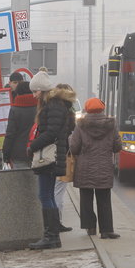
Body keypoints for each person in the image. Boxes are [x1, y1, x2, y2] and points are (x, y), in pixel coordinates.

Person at [26, 68, 73, 250]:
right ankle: (52, 236)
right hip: (55, 156)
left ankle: (50, 236)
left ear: (43, 90)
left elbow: (51, 132)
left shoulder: (52, 106)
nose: (34, 95)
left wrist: (33, 146)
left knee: (45, 196)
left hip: (50, 157)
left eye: (35, 91)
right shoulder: (57, 105)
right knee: (48, 196)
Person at [69, 98, 122, 239]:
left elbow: (74, 147)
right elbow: (118, 146)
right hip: (104, 167)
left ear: (86, 109)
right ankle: (106, 230)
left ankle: (90, 227)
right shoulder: (111, 125)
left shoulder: (80, 125)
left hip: (85, 167)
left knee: (86, 198)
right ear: (102, 109)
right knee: (104, 198)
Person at [53, 82, 77, 233]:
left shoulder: (51, 108)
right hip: (62, 155)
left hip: (50, 153)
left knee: (52, 190)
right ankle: (56, 221)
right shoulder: (68, 112)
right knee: (58, 191)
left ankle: (53, 221)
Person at [1, 81, 37, 169]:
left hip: (18, 153)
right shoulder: (40, 108)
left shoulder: (15, 110)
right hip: (36, 150)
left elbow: (10, 134)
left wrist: (6, 154)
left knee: (20, 181)